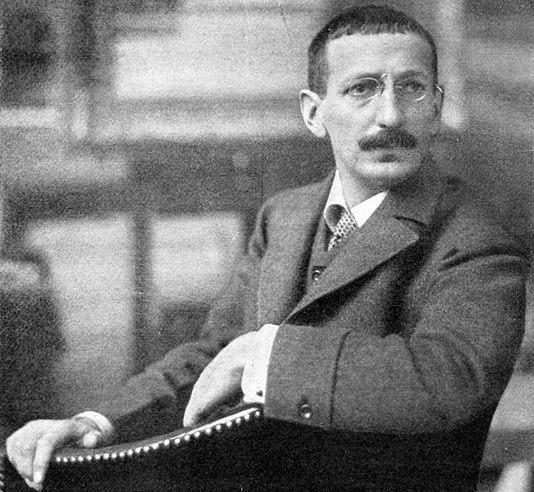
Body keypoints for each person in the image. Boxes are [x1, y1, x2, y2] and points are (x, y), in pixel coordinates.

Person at [6, 5, 530, 491]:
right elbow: (214, 353)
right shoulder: (285, 215)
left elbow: (449, 376)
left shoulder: (476, 236)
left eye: (411, 88)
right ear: (313, 113)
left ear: (436, 107)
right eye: (363, 89)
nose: (390, 115)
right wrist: (98, 422)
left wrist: (264, 356)